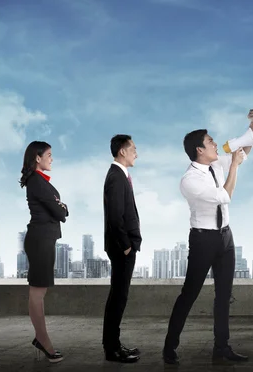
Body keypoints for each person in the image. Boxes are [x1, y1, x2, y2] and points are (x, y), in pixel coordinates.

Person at [163, 109, 253, 365]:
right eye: (210, 142)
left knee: (224, 295)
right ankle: (169, 347)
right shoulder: (189, 180)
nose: (216, 143)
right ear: (199, 150)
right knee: (189, 294)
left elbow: (243, 152)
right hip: (203, 240)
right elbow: (225, 195)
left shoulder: (216, 164)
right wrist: (235, 167)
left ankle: (221, 347)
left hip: (226, 238)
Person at [19, 141, 68, 363]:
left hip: (44, 240)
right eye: (49, 154)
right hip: (39, 240)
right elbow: (59, 211)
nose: (52, 158)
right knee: (37, 292)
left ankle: (41, 337)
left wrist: (61, 207)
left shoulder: (41, 182)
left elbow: (60, 208)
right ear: (37, 158)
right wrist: (61, 206)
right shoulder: (37, 182)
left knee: (40, 291)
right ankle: (43, 340)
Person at [102, 134, 142, 364]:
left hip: (122, 247)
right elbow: (116, 217)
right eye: (133, 148)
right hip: (121, 248)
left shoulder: (120, 175)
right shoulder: (116, 177)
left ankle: (115, 345)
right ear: (122, 152)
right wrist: (127, 246)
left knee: (119, 297)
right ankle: (112, 349)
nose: (137, 153)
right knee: (118, 297)